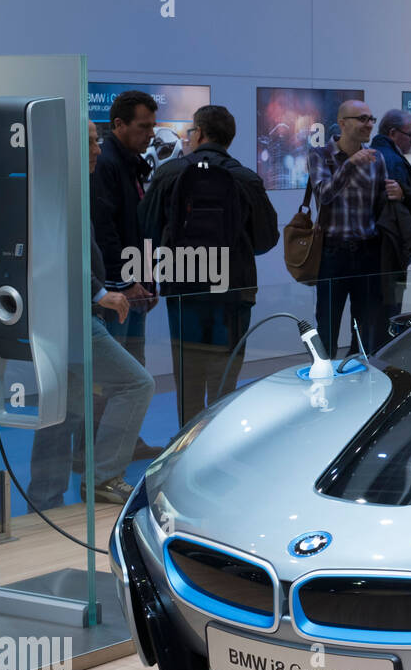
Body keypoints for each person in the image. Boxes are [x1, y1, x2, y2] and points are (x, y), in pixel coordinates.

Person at [28, 122, 155, 507]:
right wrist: (101, 293)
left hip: (63, 317)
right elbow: (57, 255)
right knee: (137, 384)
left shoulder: (63, 190)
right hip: (71, 318)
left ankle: (44, 500)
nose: (97, 149)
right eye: (89, 142)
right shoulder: (55, 195)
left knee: (62, 412)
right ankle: (101, 478)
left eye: (97, 141)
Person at [139, 105, 279, 424]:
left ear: (199, 133)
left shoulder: (169, 173)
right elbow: (266, 239)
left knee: (188, 376)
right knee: (225, 375)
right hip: (235, 291)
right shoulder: (245, 178)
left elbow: (145, 229)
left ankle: (184, 447)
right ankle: (217, 442)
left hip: (183, 288)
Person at [90, 89, 161, 459]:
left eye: (152, 126)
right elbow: (104, 231)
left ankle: (125, 443)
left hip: (133, 285)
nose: (150, 134)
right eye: (143, 126)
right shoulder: (107, 164)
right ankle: (101, 453)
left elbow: (140, 229)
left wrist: (149, 280)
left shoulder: (131, 162)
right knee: (118, 378)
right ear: (118, 124)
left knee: (135, 370)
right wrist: (127, 281)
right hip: (117, 290)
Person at [307, 99, 402, 356]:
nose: (369, 124)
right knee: (326, 327)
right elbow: (324, 194)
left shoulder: (376, 158)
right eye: (362, 119)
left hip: (368, 252)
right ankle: (324, 385)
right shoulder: (320, 155)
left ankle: (360, 383)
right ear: (342, 123)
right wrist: (350, 165)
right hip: (332, 254)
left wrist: (397, 193)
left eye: (371, 119)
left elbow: (381, 206)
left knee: (365, 329)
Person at [370, 109, 411, 348]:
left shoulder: (374, 154)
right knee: (389, 311)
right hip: (390, 251)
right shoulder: (392, 160)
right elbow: (398, 211)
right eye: (410, 134)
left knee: (373, 313)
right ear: (393, 133)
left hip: (378, 250)